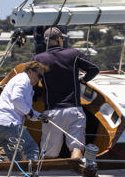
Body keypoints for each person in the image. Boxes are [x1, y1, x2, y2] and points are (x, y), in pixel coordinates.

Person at [34, 27, 99, 159]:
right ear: (59, 40)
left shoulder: (39, 58)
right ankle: (76, 169)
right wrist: (83, 80)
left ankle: (49, 172)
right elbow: (94, 69)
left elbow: (33, 82)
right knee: (76, 148)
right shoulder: (73, 54)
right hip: (73, 110)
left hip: (52, 112)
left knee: (48, 154)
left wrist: (35, 96)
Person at [0, 60, 49, 163]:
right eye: (39, 76)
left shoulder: (26, 84)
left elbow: (25, 108)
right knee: (32, 149)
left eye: (41, 77)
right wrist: (30, 112)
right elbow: (16, 98)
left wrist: (39, 116)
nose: (39, 80)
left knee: (16, 158)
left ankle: (16, 172)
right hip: (10, 124)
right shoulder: (23, 79)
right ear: (30, 71)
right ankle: (30, 172)